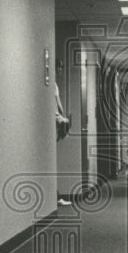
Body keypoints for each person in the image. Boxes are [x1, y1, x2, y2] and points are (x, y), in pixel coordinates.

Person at [54, 59, 72, 206]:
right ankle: (55, 195)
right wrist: (61, 119)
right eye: (58, 68)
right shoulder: (50, 86)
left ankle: (56, 195)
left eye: (60, 68)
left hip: (57, 124)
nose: (59, 71)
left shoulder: (54, 85)